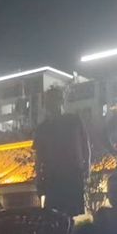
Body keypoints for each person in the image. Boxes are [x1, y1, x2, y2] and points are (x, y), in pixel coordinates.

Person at [33, 88, 91, 216]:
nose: (50, 104)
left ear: (61, 100)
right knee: (54, 213)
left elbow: (85, 145)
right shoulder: (43, 128)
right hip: (53, 176)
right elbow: (39, 156)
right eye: (48, 101)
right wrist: (39, 179)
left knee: (73, 212)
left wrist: (87, 166)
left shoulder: (74, 120)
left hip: (73, 173)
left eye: (53, 100)